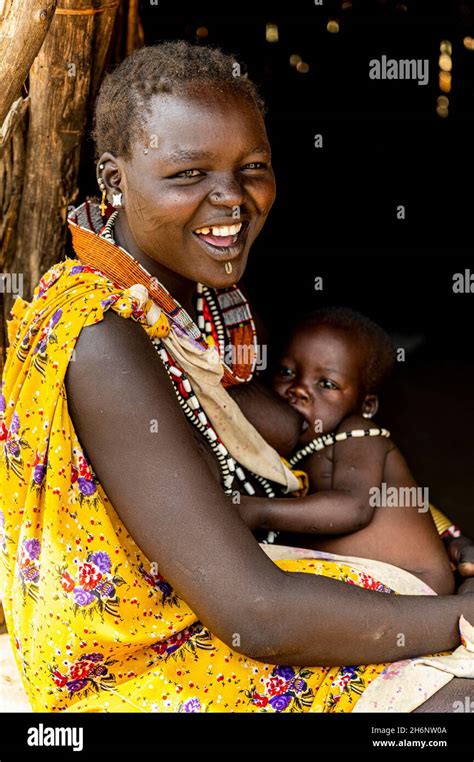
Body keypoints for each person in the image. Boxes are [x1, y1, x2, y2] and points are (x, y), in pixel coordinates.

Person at [1, 41, 474, 714]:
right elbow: (258, 617)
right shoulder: (101, 336)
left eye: (251, 168)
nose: (231, 200)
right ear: (114, 178)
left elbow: (273, 443)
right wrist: (461, 616)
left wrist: (433, 530)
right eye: (189, 173)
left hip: (202, 600)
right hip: (127, 654)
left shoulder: (173, 305)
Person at [237, 307, 453, 595]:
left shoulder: (357, 432)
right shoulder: (289, 454)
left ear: (367, 405)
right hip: (363, 587)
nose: (298, 389)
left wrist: (257, 511)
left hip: (409, 586)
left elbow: (354, 508)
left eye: (326, 384)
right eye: (287, 372)